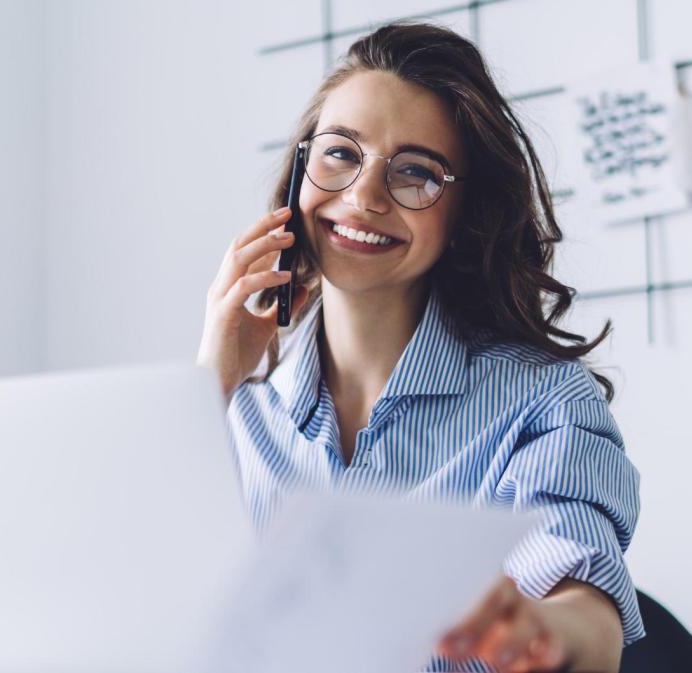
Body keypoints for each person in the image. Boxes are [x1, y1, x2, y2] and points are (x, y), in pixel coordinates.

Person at [197, 20, 642, 673]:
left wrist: (540, 629)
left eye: (415, 172)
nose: (363, 196)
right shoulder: (232, 408)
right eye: (340, 153)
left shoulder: (544, 402)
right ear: (300, 171)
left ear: (463, 215)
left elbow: (587, 609)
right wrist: (208, 387)